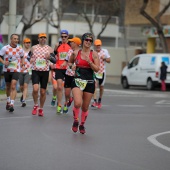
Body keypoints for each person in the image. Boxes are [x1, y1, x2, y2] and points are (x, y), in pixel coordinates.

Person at [69, 33, 100, 134]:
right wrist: (72, 66)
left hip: (89, 81)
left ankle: (82, 124)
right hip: (78, 80)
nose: (88, 42)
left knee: (85, 107)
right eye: (86, 40)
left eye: (90, 40)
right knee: (78, 102)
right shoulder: (76, 52)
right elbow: (69, 62)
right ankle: (75, 121)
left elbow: (97, 69)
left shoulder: (94, 54)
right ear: (83, 41)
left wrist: (90, 62)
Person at [30, 33, 55, 116]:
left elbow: (55, 60)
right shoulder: (34, 48)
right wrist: (30, 60)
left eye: (44, 38)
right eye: (41, 38)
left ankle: (41, 108)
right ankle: (35, 105)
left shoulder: (49, 49)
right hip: (35, 70)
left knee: (43, 91)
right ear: (38, 39)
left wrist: (49, 58)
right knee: (35, 89)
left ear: (46, 39)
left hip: (44, 71)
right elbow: (27, 57)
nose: (43, 39)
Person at [0, 34, 24, 112]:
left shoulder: (20, 49)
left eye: (17, 39)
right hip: (7, 70)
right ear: (11, 39)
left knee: (13, 86)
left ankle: (12, 104)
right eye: (14, 39)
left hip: (16, 69)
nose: (16, 40)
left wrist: (22, 64)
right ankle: (8, 100)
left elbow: (22, 56)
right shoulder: (5, 48)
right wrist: (3, 62)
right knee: (8, 86)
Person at [61, 37, 82, 113]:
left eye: (72, 42)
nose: (70, 43)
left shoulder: (81, 52)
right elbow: (66, 61)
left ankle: (67, 105)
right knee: (67, 93)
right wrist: (63, 64)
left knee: (75, 92)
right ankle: (68, 100)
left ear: (76, 43)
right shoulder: (69, 51)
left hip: (77, 75)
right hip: (68, 74)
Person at [53, 29, 71, 114]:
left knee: (67, 91)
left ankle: (66, 103)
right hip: (59, 68)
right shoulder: (58, 44)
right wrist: (55, 49)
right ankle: (59, 105)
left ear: (68, 36)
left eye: (65, 36)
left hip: (68, 69)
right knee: (59, 87)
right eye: (62, 36)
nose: (63, 38)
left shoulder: (71, 45)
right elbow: (54, 55)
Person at [91, 39, 111, 109]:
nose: (98, 46)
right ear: (95, 46)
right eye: (97, 45)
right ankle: (94, 101)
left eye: (99, 45)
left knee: (101, 87)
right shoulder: (93, 52)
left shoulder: (105, 51)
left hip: (102, 72)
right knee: (94, 85)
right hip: (95, 72)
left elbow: (109, 60)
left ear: (101, 45)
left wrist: (104, 58)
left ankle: (99, 100)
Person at [19, 38, 32, 107]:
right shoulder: (21, 51)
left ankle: (24, 100)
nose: (28, 44)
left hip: (28, 70)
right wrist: (20, 64)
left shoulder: (31, 52)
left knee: (25, 85)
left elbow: (34, 60)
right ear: (24, 43)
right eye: (26, 43)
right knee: (21, 87)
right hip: (21, 70)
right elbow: (18, 59)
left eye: (29, 42)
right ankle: (23, 95)